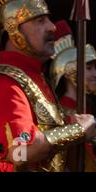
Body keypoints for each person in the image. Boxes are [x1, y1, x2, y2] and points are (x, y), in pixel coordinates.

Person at [0, 0, 96, 172]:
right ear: (14, 31)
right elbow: (21, 152)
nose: (51, 27)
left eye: (48, 19)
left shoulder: (36, 78)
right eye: (40, 21)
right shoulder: (3, 83)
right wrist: (75, 131)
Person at [49, 19, 96, 171]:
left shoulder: (87, 108)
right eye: (89, 68)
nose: (95, 73)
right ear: (70, 72)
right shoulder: (59, 114)